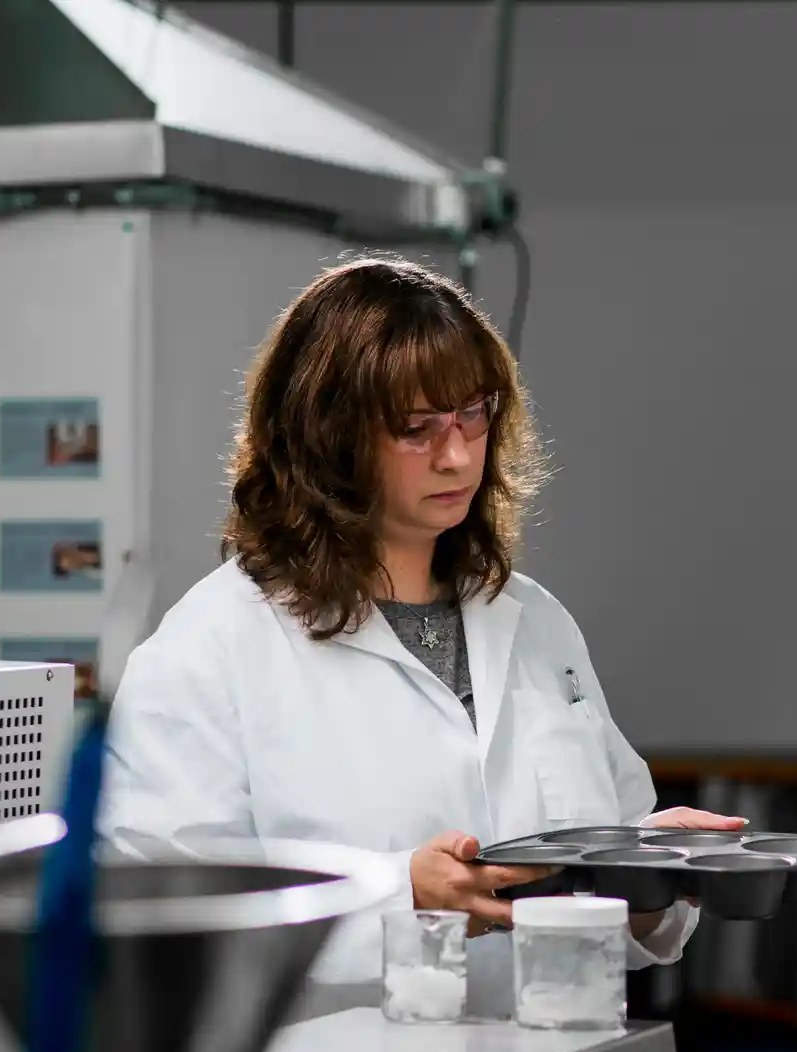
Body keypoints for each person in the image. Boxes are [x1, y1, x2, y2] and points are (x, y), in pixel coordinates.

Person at [100, 257, 741, 1012]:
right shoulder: (209, 652)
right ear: (325, 439)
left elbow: (619, 897)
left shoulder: (535, 624)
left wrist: (648, 878)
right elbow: (164, 926)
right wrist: (397, 894)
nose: (458, 453)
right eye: (416, 428)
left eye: (475, 413)